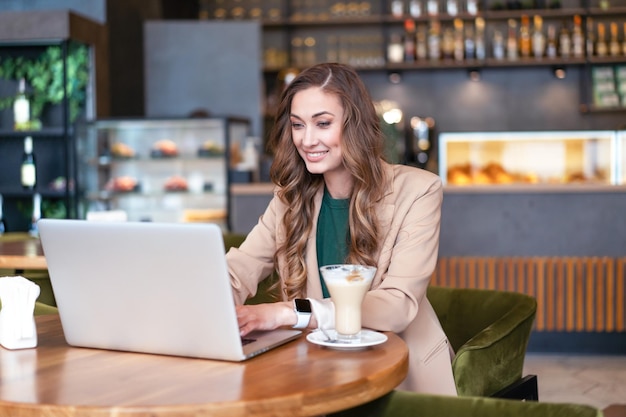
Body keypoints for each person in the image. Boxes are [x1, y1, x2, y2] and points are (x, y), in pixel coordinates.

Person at [226, 62, 457, 395]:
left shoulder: (418, 190)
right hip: (317, 368)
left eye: (322, 123)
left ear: (355, 124)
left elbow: (397, 305)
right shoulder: (289, 197)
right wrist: (196, 296)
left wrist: (286, 313)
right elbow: (239, 270)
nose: (307, 140)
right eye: (297, 125)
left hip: (400, 375)